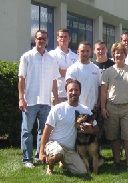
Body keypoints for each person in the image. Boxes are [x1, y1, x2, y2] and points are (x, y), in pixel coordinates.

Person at [39, 79, 99, 175]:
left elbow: (96, 128)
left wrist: (90, 130)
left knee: (82, 172)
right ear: (66, 92)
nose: (73, 92)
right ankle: (50, 166)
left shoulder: (85, 109)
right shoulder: (57, 109)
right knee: (58, 152)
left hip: (70, 150)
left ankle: (63, 161)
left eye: (76, 90)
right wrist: (41, 152)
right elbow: (46, 131)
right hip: (54, 144)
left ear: (80, 92)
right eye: (70, 90)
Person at [18, 30, 59, 168]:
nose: (41, 41)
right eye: (39, 38)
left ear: (47, 41)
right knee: (27, 130)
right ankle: (27, 159)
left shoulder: (51, 59)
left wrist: (56, 98)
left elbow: (54, 80)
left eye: (44, 39)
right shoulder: (27, 57)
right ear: (35, 39)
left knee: (44, 131)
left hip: (46, 101)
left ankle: (39, 155)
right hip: (30, 100)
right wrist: (21, 98)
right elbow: (21, 78)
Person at [100, 42, 128, 169]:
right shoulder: (107, 72)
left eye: (121, 52)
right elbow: (103, 91)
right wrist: (103, 108)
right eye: (116, 53)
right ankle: (117, 161)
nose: (119, 55)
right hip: (111, 107)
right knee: (114, 136)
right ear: (113, 55)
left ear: (125, 55)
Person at [65, 41, 102, 111]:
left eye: (87, 51)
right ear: (78, 52)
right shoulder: (72, 69)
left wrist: (98, 103)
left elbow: (100, 87)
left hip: (93, 109)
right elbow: (69, 90)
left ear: (91, 52)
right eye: (82, 51)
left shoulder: (96, 69)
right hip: (77, 109)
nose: (85, 53)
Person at [49, 28, 78, 105]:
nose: (63, 39)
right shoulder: (51, 55)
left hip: (73, 95)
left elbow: (77, 74)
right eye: (61, 37)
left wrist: (61, 71)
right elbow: (52, 73)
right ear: (57, 39)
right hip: (57, 96)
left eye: (65, 37)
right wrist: (71, 72)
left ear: (69, 39)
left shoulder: (76, 57)